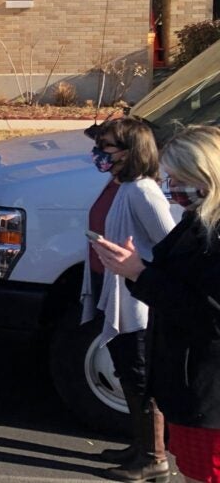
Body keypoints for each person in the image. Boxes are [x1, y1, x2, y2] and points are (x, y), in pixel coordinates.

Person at [92, 125, 220, 483]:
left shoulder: (214, 231)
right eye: (172, 178)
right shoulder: (200, 220)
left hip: (207, 390)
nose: (174, 188)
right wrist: (138, 269)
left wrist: (139, 274)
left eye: (182, 178)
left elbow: (208, 313)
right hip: (188, 384)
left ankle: (150, 455)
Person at [79, 118, 173, 480]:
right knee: (127, 374)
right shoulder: (118, 183)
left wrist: (138, 267)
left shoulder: (142, 190)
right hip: (112, 288)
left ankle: (154, 458)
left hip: (136, 300)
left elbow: (167, 243)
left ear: (132, 152)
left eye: (106, 147)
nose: (98, 154)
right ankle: (141, 445)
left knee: (140, 377)